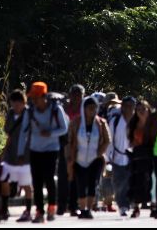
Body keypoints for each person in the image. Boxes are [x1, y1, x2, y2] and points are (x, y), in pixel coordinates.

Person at [16, 82, 69, 223]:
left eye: (36, 97)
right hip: (35, 149)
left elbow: (64, 129)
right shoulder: (30, 111)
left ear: (44, 96)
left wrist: (50, 133)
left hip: (52, 149)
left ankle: (52, 206)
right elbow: (23, 132)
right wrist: (20, 152)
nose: (33, 100)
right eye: (32, 97)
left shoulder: (56, 109)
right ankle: (39, 211)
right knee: (37, 182)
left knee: (49, 178)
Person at [66, 96, 111, 220]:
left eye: (94, 108)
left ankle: (89, 209)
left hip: (95, 159)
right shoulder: (76, 122)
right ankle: (82, 209)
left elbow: (107, 140)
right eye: (89, 108)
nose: (92, 110)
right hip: (79, 159)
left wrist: (100, 152)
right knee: (81, 184)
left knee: (92, 184)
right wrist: (70, 156)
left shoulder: (101, 123)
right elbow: (69, 141)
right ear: (84, 109)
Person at [0, 90, 33, 222]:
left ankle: (28, 210)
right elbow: (8, 132)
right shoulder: (10, 114)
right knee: (4, 180)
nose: (15, 106)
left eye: (18, 103)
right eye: (13, 104)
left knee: (26, 185)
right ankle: (4, 209)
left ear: (23, 102)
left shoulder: (29, 114)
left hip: (25, 156)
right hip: (10, 155)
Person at [58, 84, 84, 217]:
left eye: (79, 94)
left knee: (76, 176)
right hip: (65, 143)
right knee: (63, 175)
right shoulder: (64, 108)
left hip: (80, 145)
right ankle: (61, 206)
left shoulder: (84, 109)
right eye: (74, 94)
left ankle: (73, 206)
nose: (77, 97)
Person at [107, 96, 134, 217]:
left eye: (131, 106)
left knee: (129, 182)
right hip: (117, 157)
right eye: (126, 106)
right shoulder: (115, 121)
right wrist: (108, 158)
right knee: (118, 182)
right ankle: (122, 205)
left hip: (132, 158)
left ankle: (126, 204)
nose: (128, 108)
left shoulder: (136, 121)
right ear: (122, 107)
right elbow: (110, 140)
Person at [126, 100, 152, 219]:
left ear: (148, 110)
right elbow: (130, 139)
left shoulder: (153, 123)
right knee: (136, 181)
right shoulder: (133, 123)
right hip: (137, 155)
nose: (141, 112)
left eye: (143, 109)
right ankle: (136, 207)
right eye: (138, 109)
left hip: (151, 154)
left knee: (150, 181)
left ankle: (153, 205)